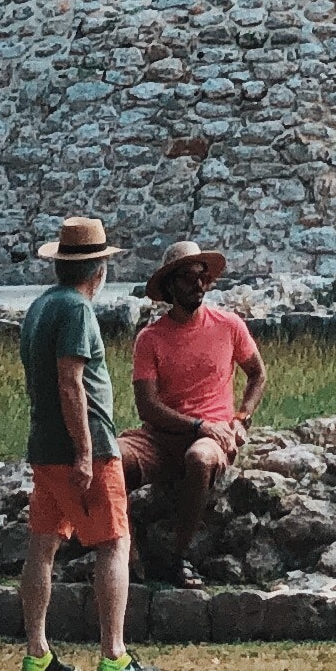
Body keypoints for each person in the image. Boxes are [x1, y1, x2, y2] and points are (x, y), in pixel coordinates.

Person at [14, 214, 155, 671]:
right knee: (114, 542)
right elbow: (71, 382)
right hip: (84, 448)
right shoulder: (77, 311)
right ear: (100, 270)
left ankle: (37, 651)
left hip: (42, 444)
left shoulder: (39, 308)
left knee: (43, 543)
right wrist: (84, 450)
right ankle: (114, 655)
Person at [126, 239, 268, 588]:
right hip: (161, 435)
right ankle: (126, 556)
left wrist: (241, 418)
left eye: (202, 277)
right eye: (188, 278)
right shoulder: (151, 338)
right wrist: (197, 423)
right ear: (170, 285)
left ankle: (179, 556)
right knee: (111, 460)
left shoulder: (229, 325)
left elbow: (257, 374)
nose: (198, 285)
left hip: (211, 435)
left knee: (201, 458)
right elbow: (147, 406)